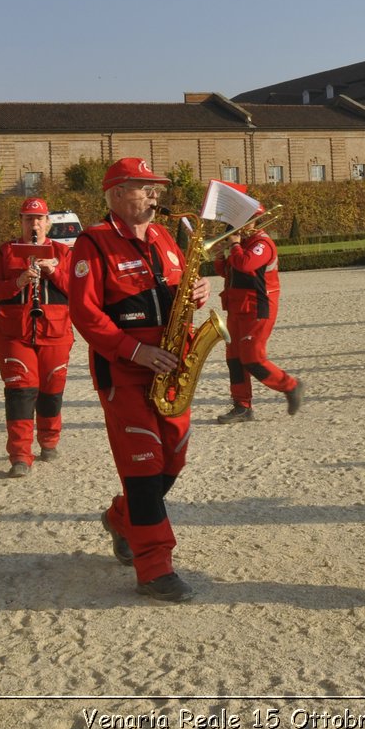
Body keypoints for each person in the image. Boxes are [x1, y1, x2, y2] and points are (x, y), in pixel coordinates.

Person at [68, 156, 210, 602]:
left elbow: (178, 290)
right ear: (115, 194)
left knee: (174, 459)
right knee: (144, 466)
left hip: (172, 368)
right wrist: (136, 351)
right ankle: (154, 568)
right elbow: (85, 314)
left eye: (156, 188)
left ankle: (119, 516)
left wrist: (198, 292)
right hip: (126, 372)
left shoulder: (167, 237)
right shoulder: (92, 243)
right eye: (143, 187)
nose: (154, 195)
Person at [0, 197, 75, 477]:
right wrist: (18, 282)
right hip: (14, 333)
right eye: (28, 219)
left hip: (56, 332)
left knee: (51, 389)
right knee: (20, 391)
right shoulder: (6, 251)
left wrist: (54, 271)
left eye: (39, 219)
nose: (33, 224)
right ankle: (20, 455)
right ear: (21, 221)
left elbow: (79, 290)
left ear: (48, 222)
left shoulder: (64, 252)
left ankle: (49, 440)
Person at [213, 188, 302, 424]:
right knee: (234, 358)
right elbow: (226, 271)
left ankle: (290, 385)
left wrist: (233, 246)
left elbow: (244, 263)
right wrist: (220, 256)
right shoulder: (242, 242)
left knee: (252, 357)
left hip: (258, 307)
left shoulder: (262, 243)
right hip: (236, 307)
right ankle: (241, 406)